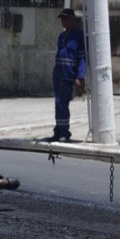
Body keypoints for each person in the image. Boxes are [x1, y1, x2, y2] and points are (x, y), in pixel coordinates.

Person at [47, 8, 86, 142]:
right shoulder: (61, 36)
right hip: (58, 74)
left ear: (73, 20)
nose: (63, 21)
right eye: (62, 19)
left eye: (65, 18)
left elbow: (81, 57)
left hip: (68, 75)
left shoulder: (79, 35)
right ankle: (58, 131)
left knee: (62, 103)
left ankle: (64, 132)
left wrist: (80, 77)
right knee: (58, 104)